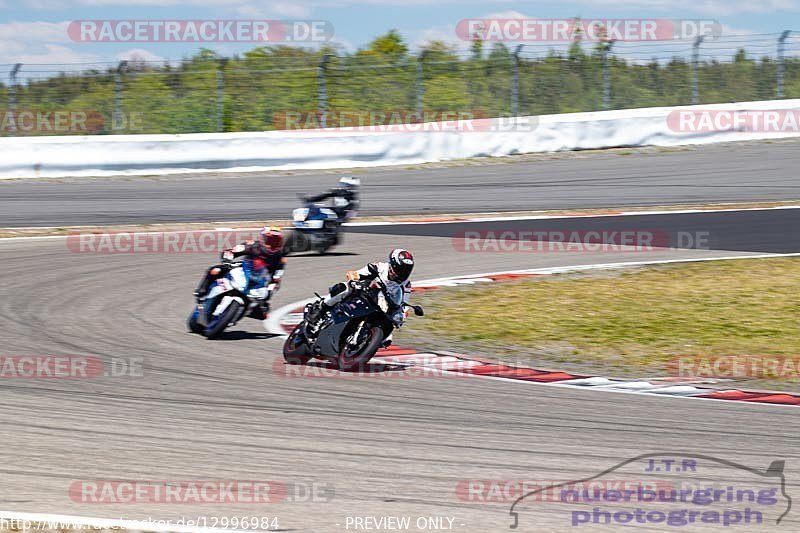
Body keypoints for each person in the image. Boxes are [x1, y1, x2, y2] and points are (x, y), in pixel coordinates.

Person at [307, 248, 414, 329]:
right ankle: (320, 309)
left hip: (382, 306)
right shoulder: (380, 267)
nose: (403, 273)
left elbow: (404, 305)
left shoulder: (406, 284)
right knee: (345, 288)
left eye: (406, 270)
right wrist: (354, 280)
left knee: (388, 334)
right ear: (392, 264)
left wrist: (402, 317)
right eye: (400, 269)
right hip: (364, 293)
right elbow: (356, 273)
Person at [194, 226, 286, 319]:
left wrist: (269, 291)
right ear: (263, 238)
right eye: (270, 240)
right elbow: (231, 252)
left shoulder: (279, 259)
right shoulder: (252, 245)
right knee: (215, 270)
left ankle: (243, 311)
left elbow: (277, 278)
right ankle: (201, 293)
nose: (272, 244)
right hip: (243, 268)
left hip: (259, 280)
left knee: (264, 314)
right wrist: (227, 261)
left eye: (276, 241)